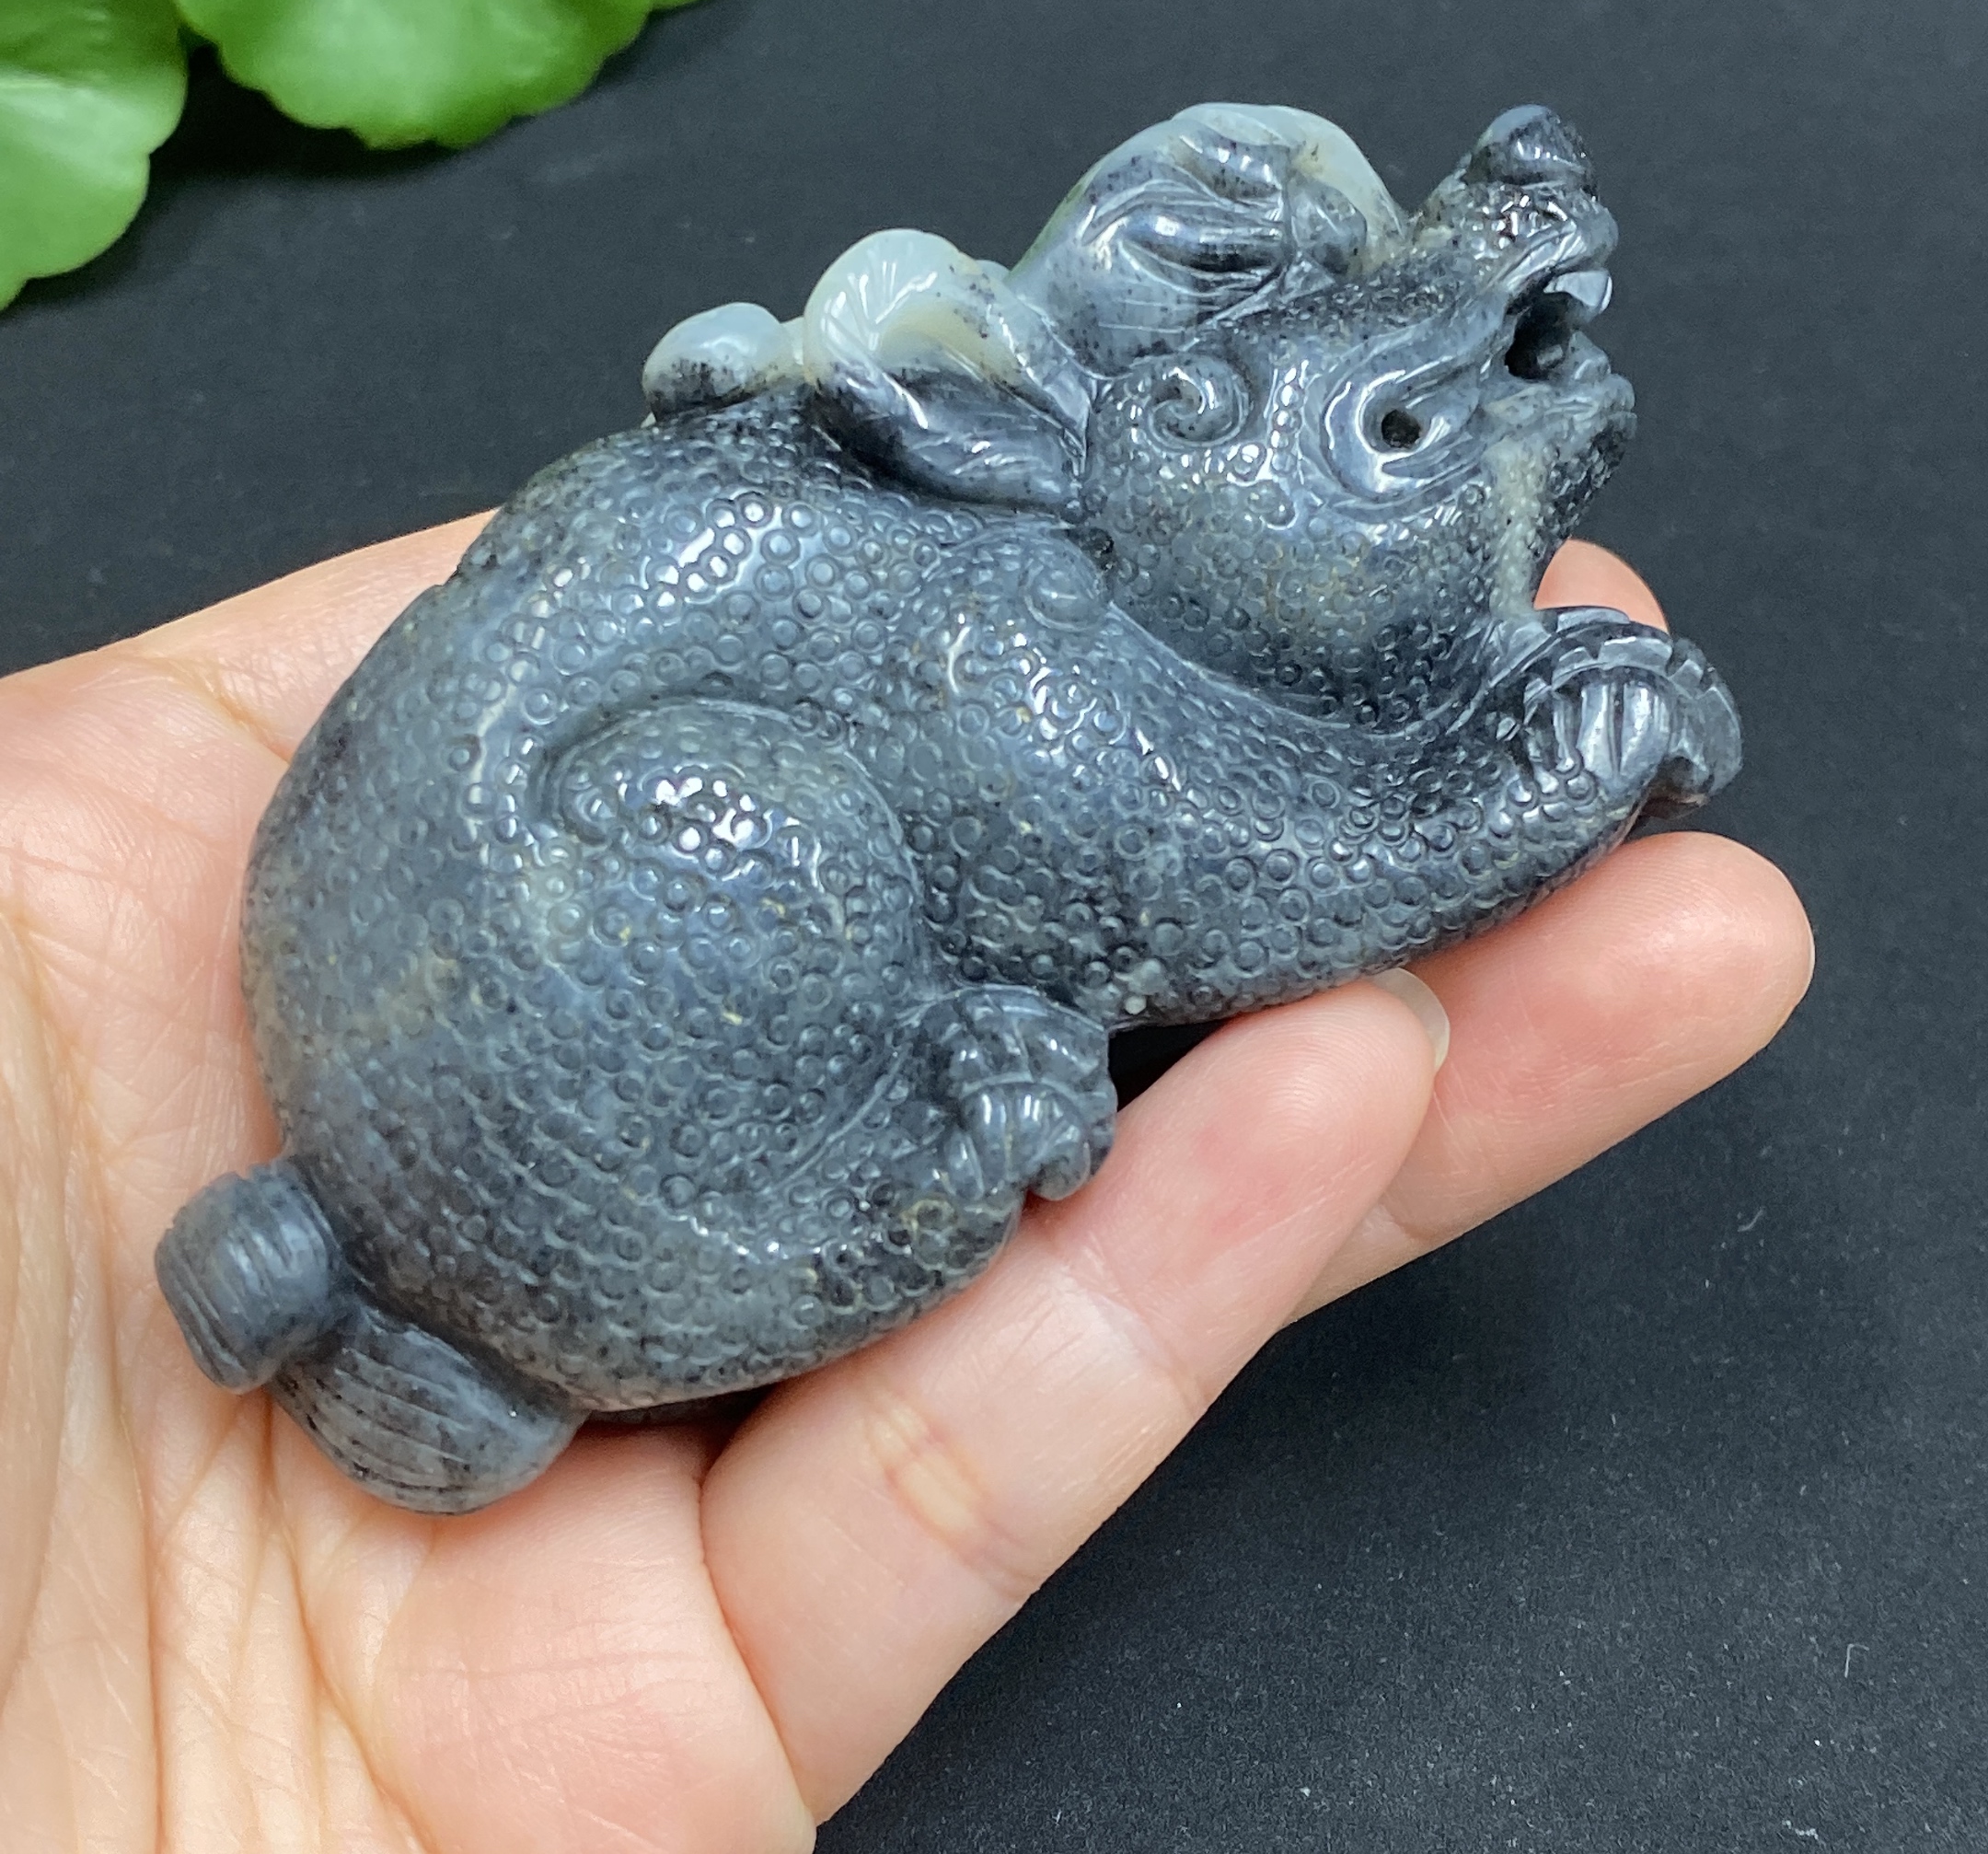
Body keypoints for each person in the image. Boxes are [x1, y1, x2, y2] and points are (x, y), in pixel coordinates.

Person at [0, 519, 1809, 1849]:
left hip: (392, 1018)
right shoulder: (1018, 637)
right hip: (568, 1131)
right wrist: (1529, 781)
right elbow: (1246, 871)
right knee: (791, 882)